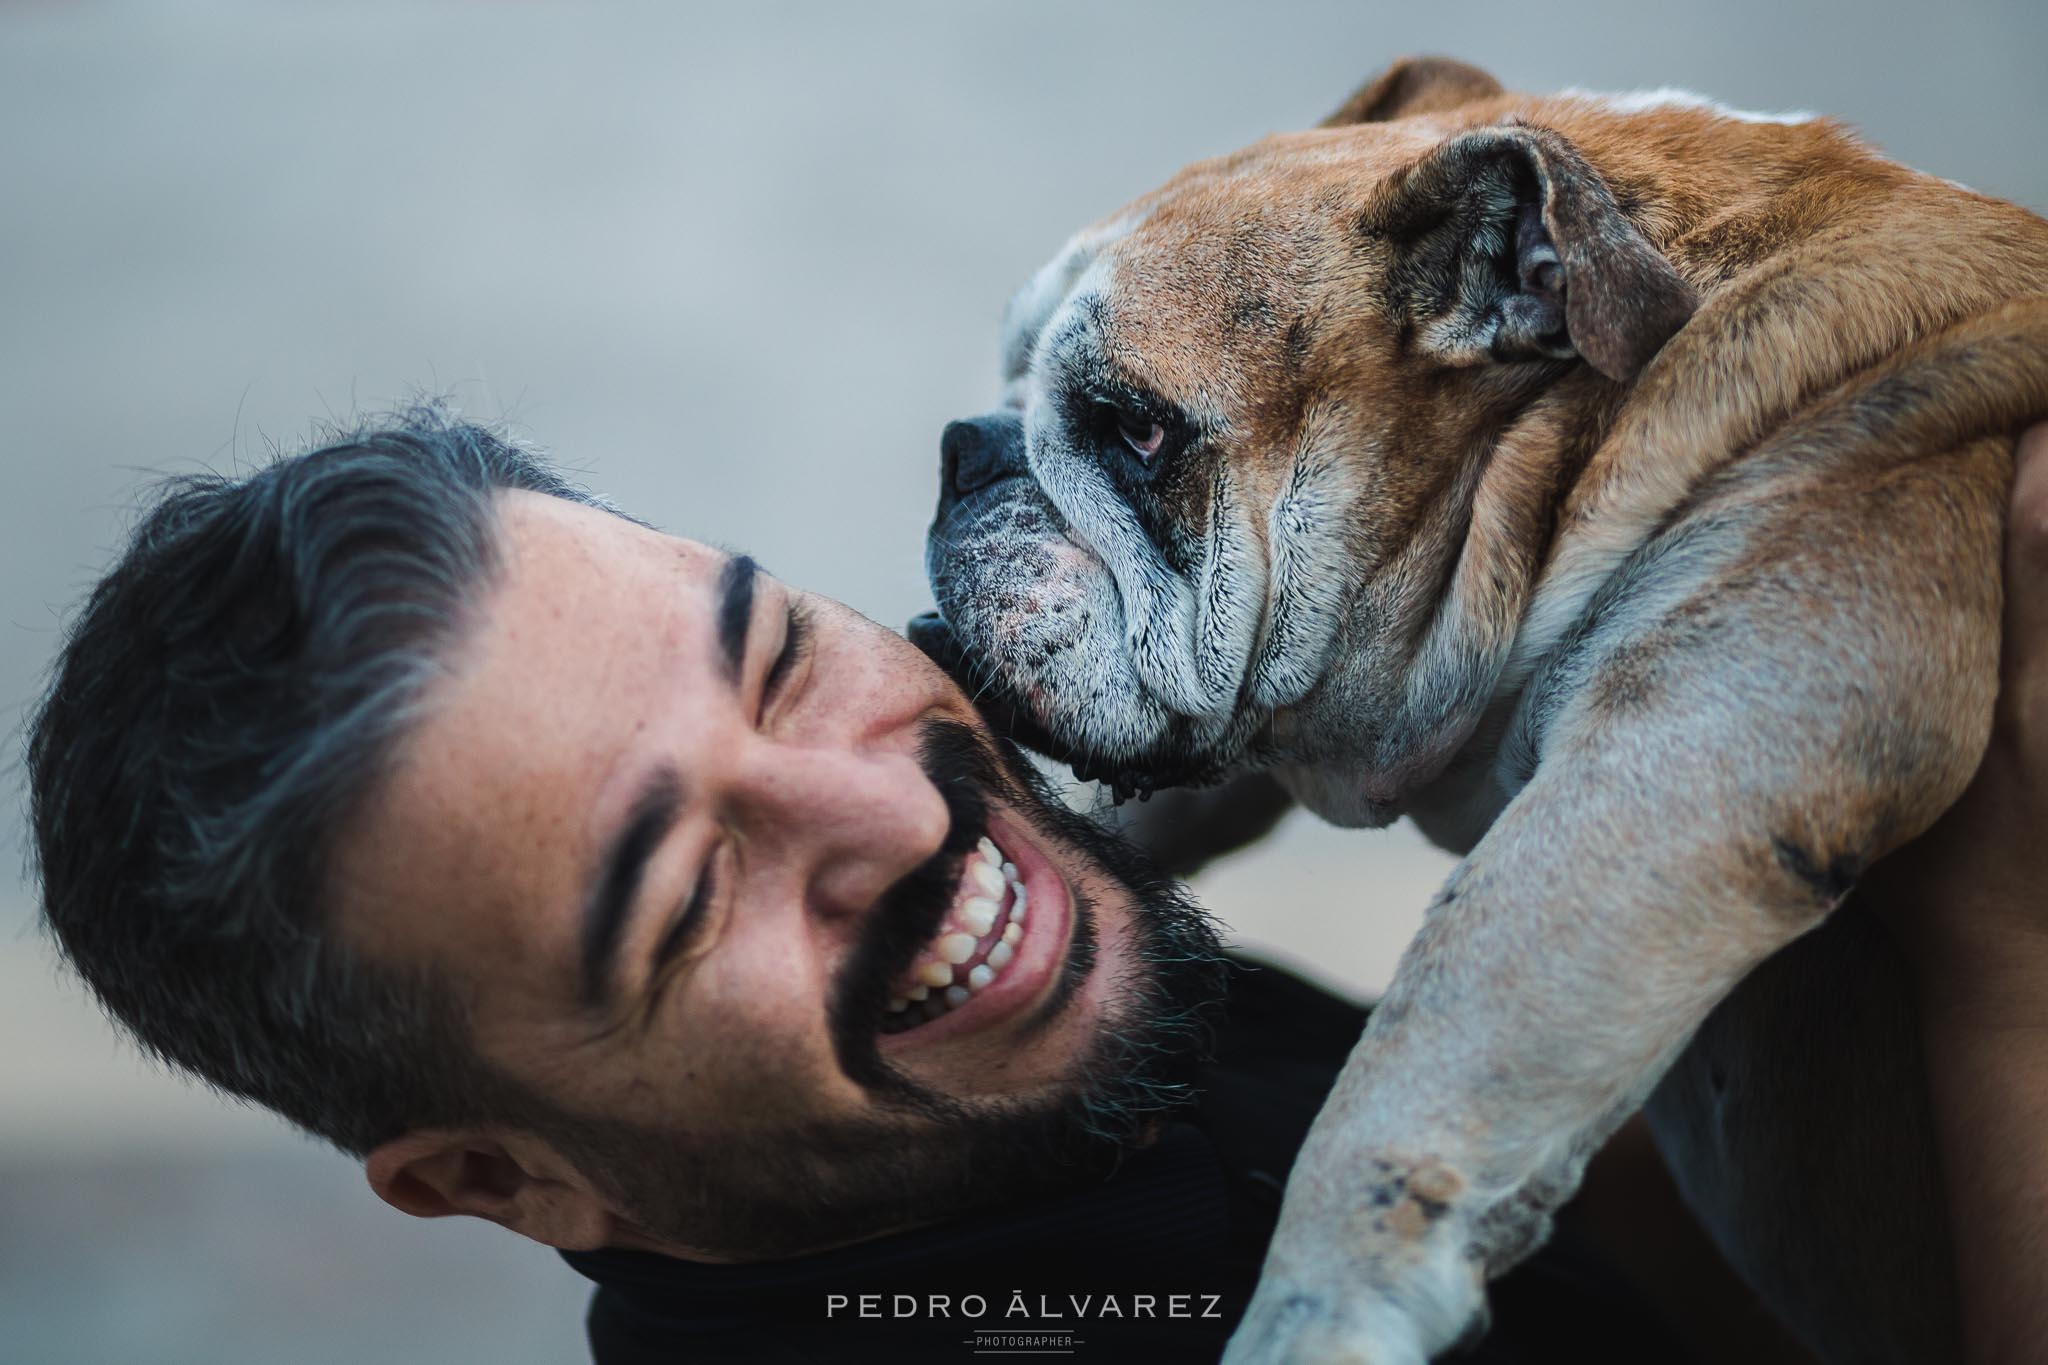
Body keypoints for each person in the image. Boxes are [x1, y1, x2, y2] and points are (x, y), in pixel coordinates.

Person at [25, 409, 2045, 1363]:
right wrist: (1999, 937)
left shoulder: (982, 1092)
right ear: (498, 1178)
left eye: (779, 649)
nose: (897, 819)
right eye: (682, 898)